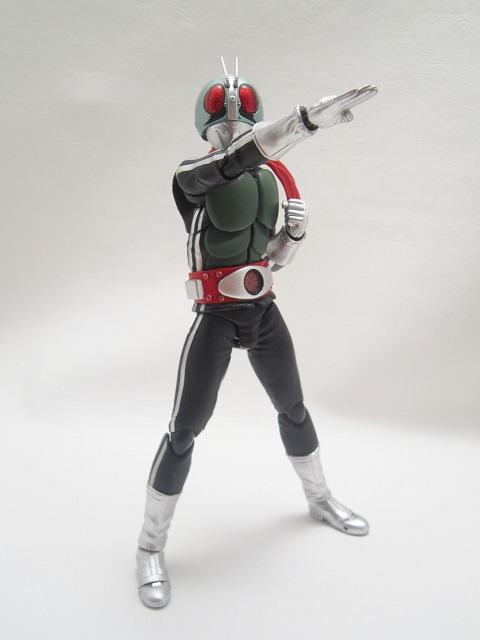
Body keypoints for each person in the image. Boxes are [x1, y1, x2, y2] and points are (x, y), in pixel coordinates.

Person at [136, 58, 378, 608]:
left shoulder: (272, 179)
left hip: (262, 309)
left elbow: (272, 258)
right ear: (203, 123)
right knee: (184, 430)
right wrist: (303, 123)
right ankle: (149, 546)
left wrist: (293, 237)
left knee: (294, 408)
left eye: (242, 110)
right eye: (221, 112)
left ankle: (319, 497)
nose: (231, 118)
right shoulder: (191, 177)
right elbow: (234, 160)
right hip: (216, 316)